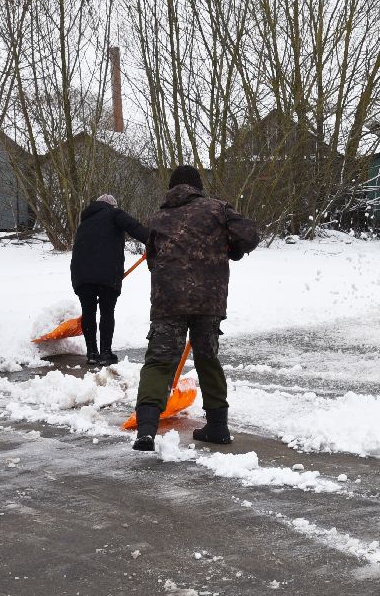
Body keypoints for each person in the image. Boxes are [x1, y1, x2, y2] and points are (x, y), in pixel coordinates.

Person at [130, 165, 260, 449]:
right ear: (198, 186)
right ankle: (218, 427)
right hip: (208, 300)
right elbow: (250, 234)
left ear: (171, 187)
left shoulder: (158, 217)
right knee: (207, 358)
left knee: (159, 360)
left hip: (168, 300)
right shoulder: (217, 209)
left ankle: (147, 430)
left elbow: (152, 261)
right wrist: (233, 249)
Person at [70, 194, 150, 365]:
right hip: (107, 272)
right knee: (107, 311)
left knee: (88, 311)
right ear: (112, 206)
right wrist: (154, 240)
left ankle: (92, 354)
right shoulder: (114, 213)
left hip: (81, 274)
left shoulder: (84, 222)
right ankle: (106, 354)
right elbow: (134, 227)